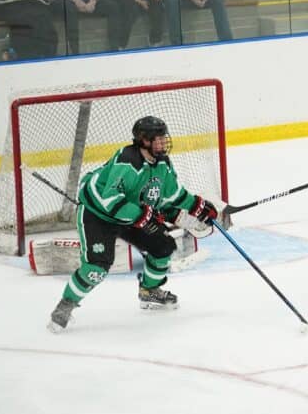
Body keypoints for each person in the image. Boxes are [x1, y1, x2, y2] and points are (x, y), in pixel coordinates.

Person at [47, 116, 220, 333]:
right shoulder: (128, 162)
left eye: (163, 138)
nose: (163, 143)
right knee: (97, 268)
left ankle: (149, 291)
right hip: (98, 215)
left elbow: (172, 194)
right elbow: (110, 201)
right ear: (144, 141)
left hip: (131, 213)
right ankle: (66, 305)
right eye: (157, 139)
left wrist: (198, 206)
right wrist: (143, 216)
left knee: (163, 247)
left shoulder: (162, 163)